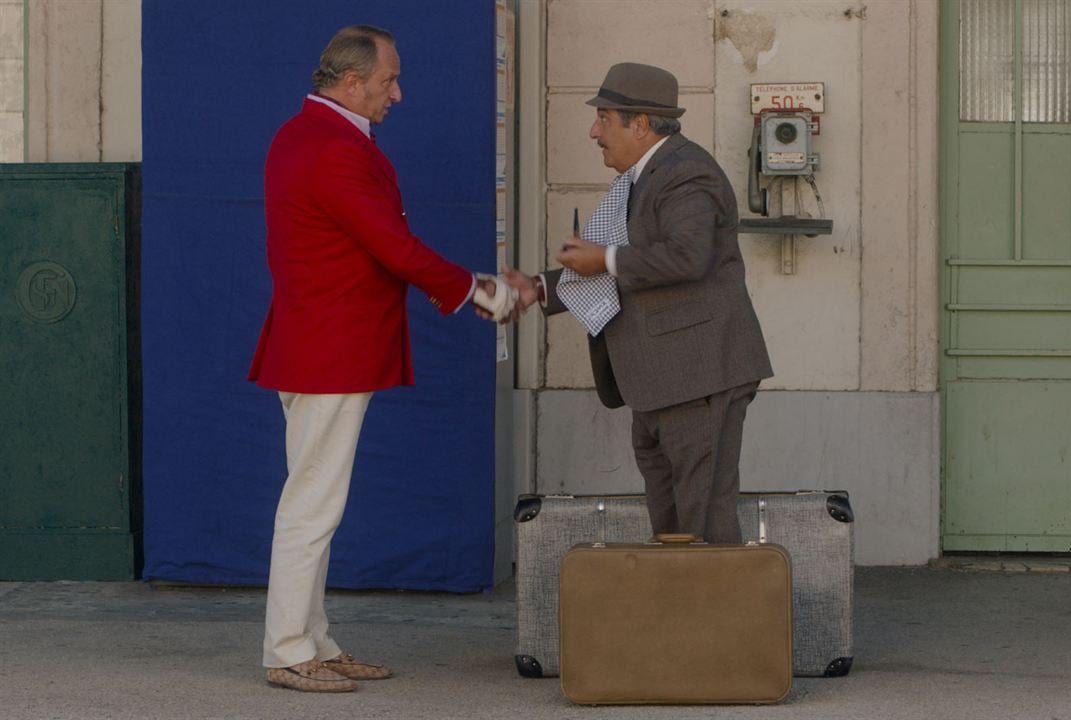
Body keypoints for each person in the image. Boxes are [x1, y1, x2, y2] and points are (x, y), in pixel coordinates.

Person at [248, 25, 510, 693]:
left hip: (314, 344)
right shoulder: (332, 148)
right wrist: (479, 290)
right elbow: (390, 245)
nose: (399, 92)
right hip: (329, 350)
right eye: (389, 80)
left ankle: (312, 640)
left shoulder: (301, 134)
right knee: (311, 506)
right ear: (352, 82)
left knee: (312, 503)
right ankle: (286, 650)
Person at [506, 62, 772, 547]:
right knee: (672, 527)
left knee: (703, 523)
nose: (594, 132)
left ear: (641, 123)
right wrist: (537, 289)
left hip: (697, 377)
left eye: (604, 119)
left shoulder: (688, 173)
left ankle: (715, 622)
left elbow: (686, 256)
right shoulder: (643, 177)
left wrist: (603, 258)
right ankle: (675, 618)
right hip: (659, 382)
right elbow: (613, 266)